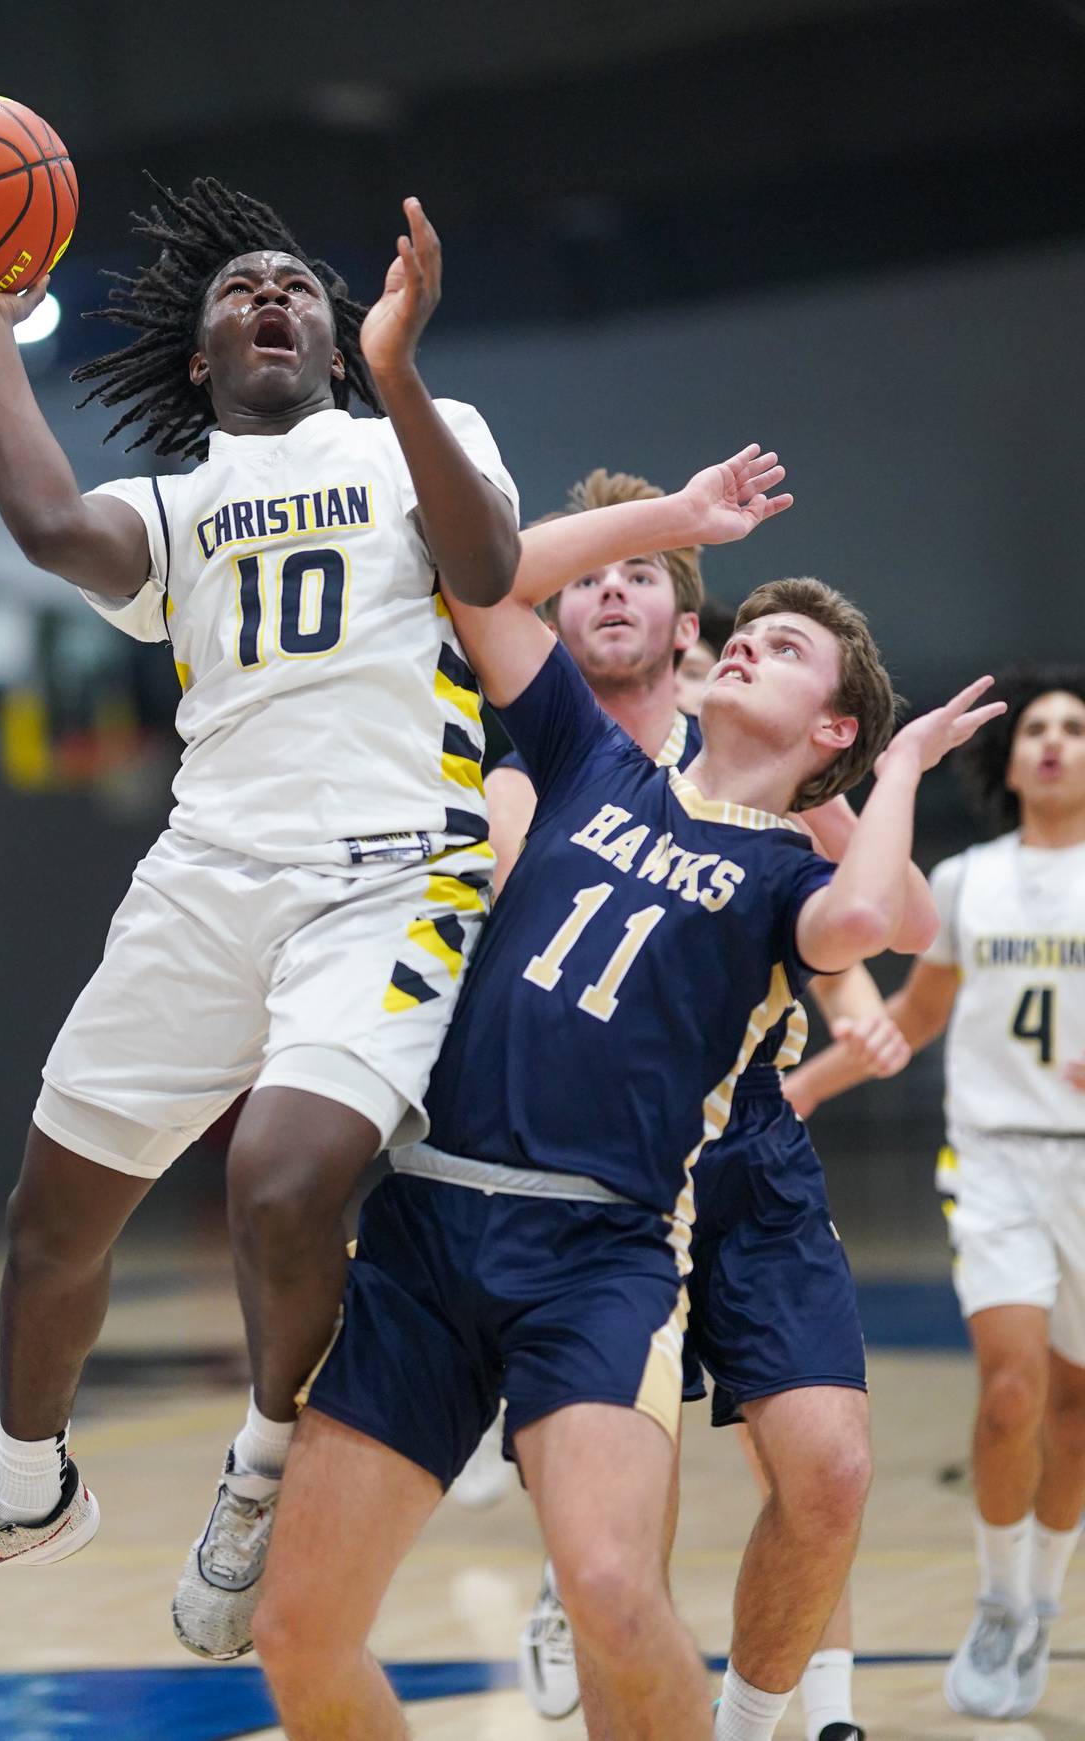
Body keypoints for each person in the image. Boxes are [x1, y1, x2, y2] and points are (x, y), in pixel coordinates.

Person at [0, 179, 522, 1654]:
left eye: (299, 288)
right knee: (51, 1222)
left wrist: (401, 370)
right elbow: (42, 520)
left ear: (339, 346)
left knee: (279, 1184)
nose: (271, 296)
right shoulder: (175, 506)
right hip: (206, 875)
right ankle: (28, 1490)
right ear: (204, 359)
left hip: (393, 872)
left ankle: (264, 1469)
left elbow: (485, 572)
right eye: (240, 293)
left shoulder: (417, 432)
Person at [250, 467, 1002, 1738]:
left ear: (831, 734)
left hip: (596, 1252)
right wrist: (676, 525)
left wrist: (909, 760)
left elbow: (878, 916)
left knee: (610, 1580)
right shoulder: (594, 758)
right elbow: (479, 575)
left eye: (789, 648)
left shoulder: (783, 872)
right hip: (427, 1227)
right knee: (298, 1631)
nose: (750, 640)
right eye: (747, 628)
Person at [482, 474, 903, 1741]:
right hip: (601, 1149)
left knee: (820, 1462)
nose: (612, 588)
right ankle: (590, 1589)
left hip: (744, 1135)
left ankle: (800, 1708)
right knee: (636, 1480)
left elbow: (870, 917)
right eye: (593, 577)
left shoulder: (761, 759)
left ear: (687, 630)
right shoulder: (561, 753)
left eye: (644, 574)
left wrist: (870, 780)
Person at [786, 665, 1085, 1722]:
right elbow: (914, 1013)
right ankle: (1000, 1597)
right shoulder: (967, 882)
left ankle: (1042, 1601)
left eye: (1073, 728)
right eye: (1036, 727)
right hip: (996, 1154)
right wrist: (810, 1083)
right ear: (1009, 760)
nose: (1052, 741)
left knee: (1073, 1406)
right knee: (1009, 1391)